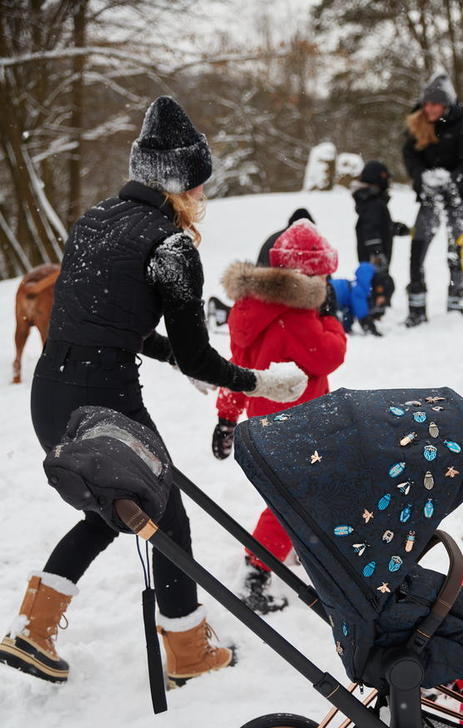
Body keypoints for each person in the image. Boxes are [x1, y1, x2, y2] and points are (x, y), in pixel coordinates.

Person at [0, 95, 306, 689]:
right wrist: (259, 381)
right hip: (106, 401)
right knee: (165, 518)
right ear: (181, 184)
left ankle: (33, 631)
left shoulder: (93, 221)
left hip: (52, 395)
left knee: (111, 507)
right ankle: (189, 653)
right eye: (199, 183)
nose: (204, 194)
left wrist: (178, 363)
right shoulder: (171, 247)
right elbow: (195, 353)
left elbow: (116, 326)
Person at [212, 220, 347, 613]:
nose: (326, 284)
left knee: (295, 495)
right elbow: (329, 356)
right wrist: (331, 320)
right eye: (323, 277)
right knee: (293, 500)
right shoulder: (298, 317)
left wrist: (227, 417)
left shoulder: (250, 312)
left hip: (265, 426)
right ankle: (255, 572)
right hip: (302, 426)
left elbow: (237, 370)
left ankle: (301, 547)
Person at [402, 72, 463, 324]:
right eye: (426, 103)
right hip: (429, 199)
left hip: (459, 200)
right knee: (417, 249)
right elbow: (411, 159)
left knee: (455, 251)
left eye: (435, 104)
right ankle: (416, 307)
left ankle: (455, 303)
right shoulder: (418, 126)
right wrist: (423, 177)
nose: (429, 108)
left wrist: (451, 180)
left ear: (446, 105)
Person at [351, 160, 410, 312]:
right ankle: (375, 308)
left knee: (380, 279)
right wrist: (376, 251)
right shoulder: (372, 203)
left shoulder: (373, 202)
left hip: (376, 252)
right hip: (374, 254)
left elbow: (380, 225)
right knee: (379, 281)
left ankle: (377, 304)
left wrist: (397, 229)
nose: (388, 182)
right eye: (385, 177)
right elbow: (370, 228)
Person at [330, 261, 383, 336]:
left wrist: (346, 328)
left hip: (329, 289)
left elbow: (349, 311)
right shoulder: (359, 291)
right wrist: (372, 330)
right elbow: (362, 314)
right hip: (330, 294)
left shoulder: (355, 285)